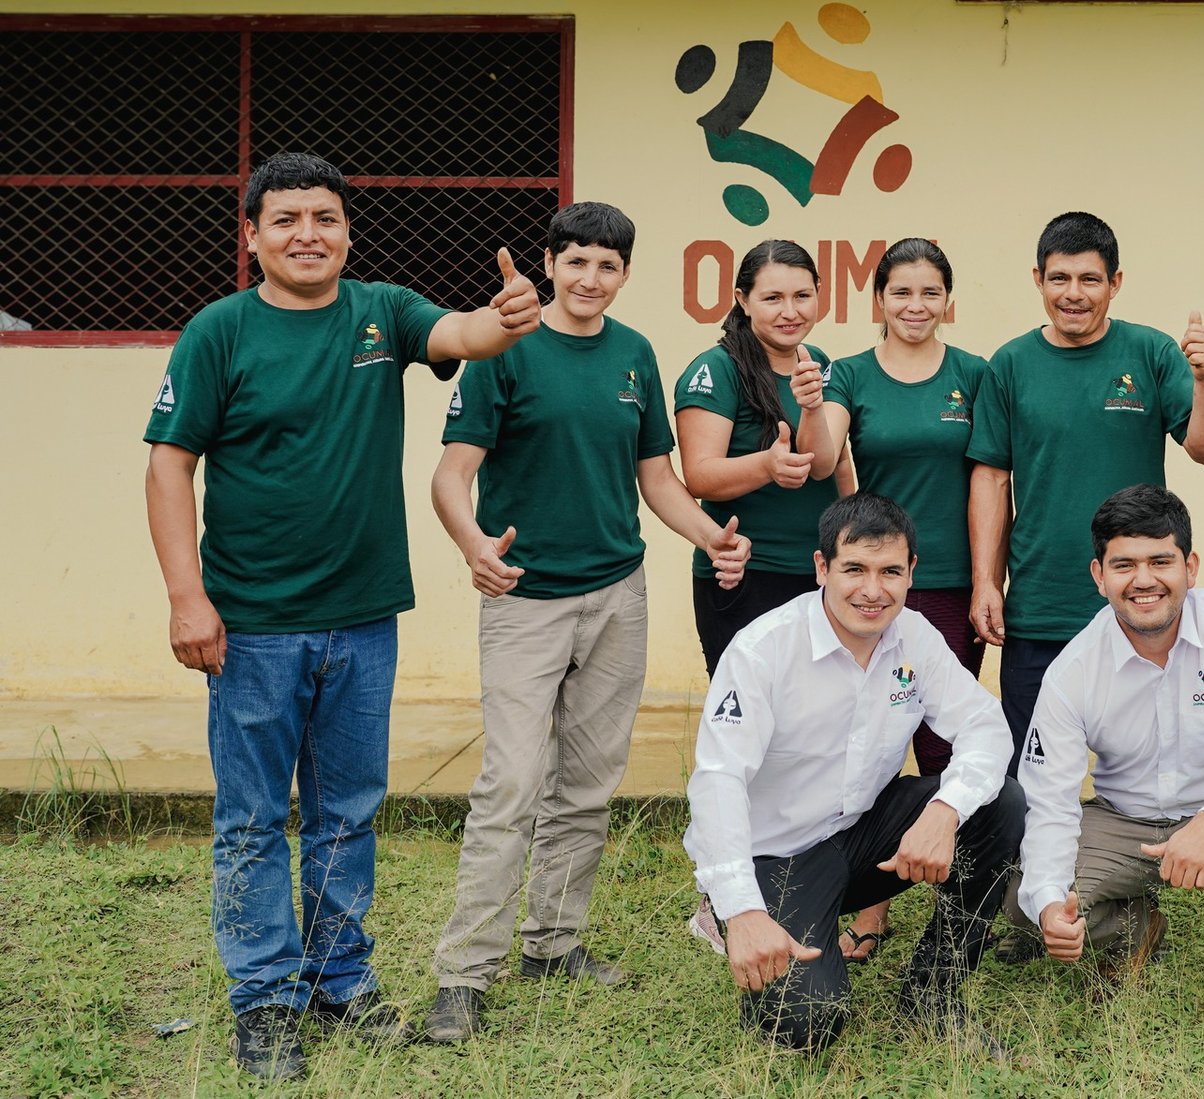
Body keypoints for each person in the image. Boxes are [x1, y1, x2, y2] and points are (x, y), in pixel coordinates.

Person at [141, 152, 541, 1081]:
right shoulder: (219, 332)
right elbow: (169, 464)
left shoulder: (380, 311)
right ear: (251, 237)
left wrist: (508, 320)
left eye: (324, 217)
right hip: (251, 623)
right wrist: (186, 595)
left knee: (347, 811)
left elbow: (463, 332)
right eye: (285, 220)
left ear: (348, 232)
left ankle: (339, 979)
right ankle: (266, 1000)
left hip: (364, 618)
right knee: (250, 819)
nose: (307, 234)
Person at [419, 202, 753, 1044]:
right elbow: (452, 475)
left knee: (589, 781)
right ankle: (464, 975)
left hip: (617, 591)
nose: (590, 278)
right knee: (511, 786)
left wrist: (711, 534)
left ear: (625, 274)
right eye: (575, 262)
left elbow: (658, 478)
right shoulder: (504, 348)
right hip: (525, 599)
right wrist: (472, 547)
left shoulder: (634, 354)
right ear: (549, 262)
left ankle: (553, 941)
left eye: (607, 265)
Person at [683, 493, 1026, 1053]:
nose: (873, 590)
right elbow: (718, 782)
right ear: (821, 568)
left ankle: (934, 996)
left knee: (1000, 804)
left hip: (860, 834)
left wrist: (944, 810)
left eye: (891, 571)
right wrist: (741, 909)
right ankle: (725, 916)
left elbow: (986, 727)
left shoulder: (913, 636)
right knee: (806, 1026)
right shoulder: (762, 650)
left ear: (912, 572)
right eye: (854, 570)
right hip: (778, 856)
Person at [1010, 485, 1204, 1064]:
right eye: (1124, 564)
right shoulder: (1072, 670)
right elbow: (1049, 802)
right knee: (1023, 899)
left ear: (1191, 567)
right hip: (1124, 823)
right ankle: (1134, 929)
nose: (1144, 580)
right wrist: (1051, 905)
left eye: (1161, 561)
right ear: (1098, 575)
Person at [967, 212, 1204, 773]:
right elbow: (991, 477)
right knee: (1031, 772)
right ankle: (1027, 866)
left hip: (1140, 606)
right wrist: (986, 583)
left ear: (1115, 283)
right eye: (1059, 278)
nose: (1074, 294)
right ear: (1037, 279)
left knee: (1150, 771)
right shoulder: (1010, 365)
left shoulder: (1152, 353)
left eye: (1090, 279)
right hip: (1040, 606)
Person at [790, 237, 989, 964]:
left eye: (930, 292)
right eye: (900, 291)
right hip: (868, 586)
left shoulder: (975, 374)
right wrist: (814, 406)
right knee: (871, 746)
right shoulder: (847, 373)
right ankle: (868, 914)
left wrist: (988, 579)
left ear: (948, 300)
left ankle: (957, 904)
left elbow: (989, 480)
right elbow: (820, 457)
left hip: (947, 583)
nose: (915, 305)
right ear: (877, 299)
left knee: (943, 745)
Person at [676, 239, 847, 676]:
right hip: (745, 573)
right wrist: (767, 466)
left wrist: (810, 407)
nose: (789, 311)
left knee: (815, 719)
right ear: (742, 301)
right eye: (772, 298)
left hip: (818, 574)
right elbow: (699, 476)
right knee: (748, 721)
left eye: (801, 296)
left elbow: (824, 463)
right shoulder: (717, 369)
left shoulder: (818, 361)